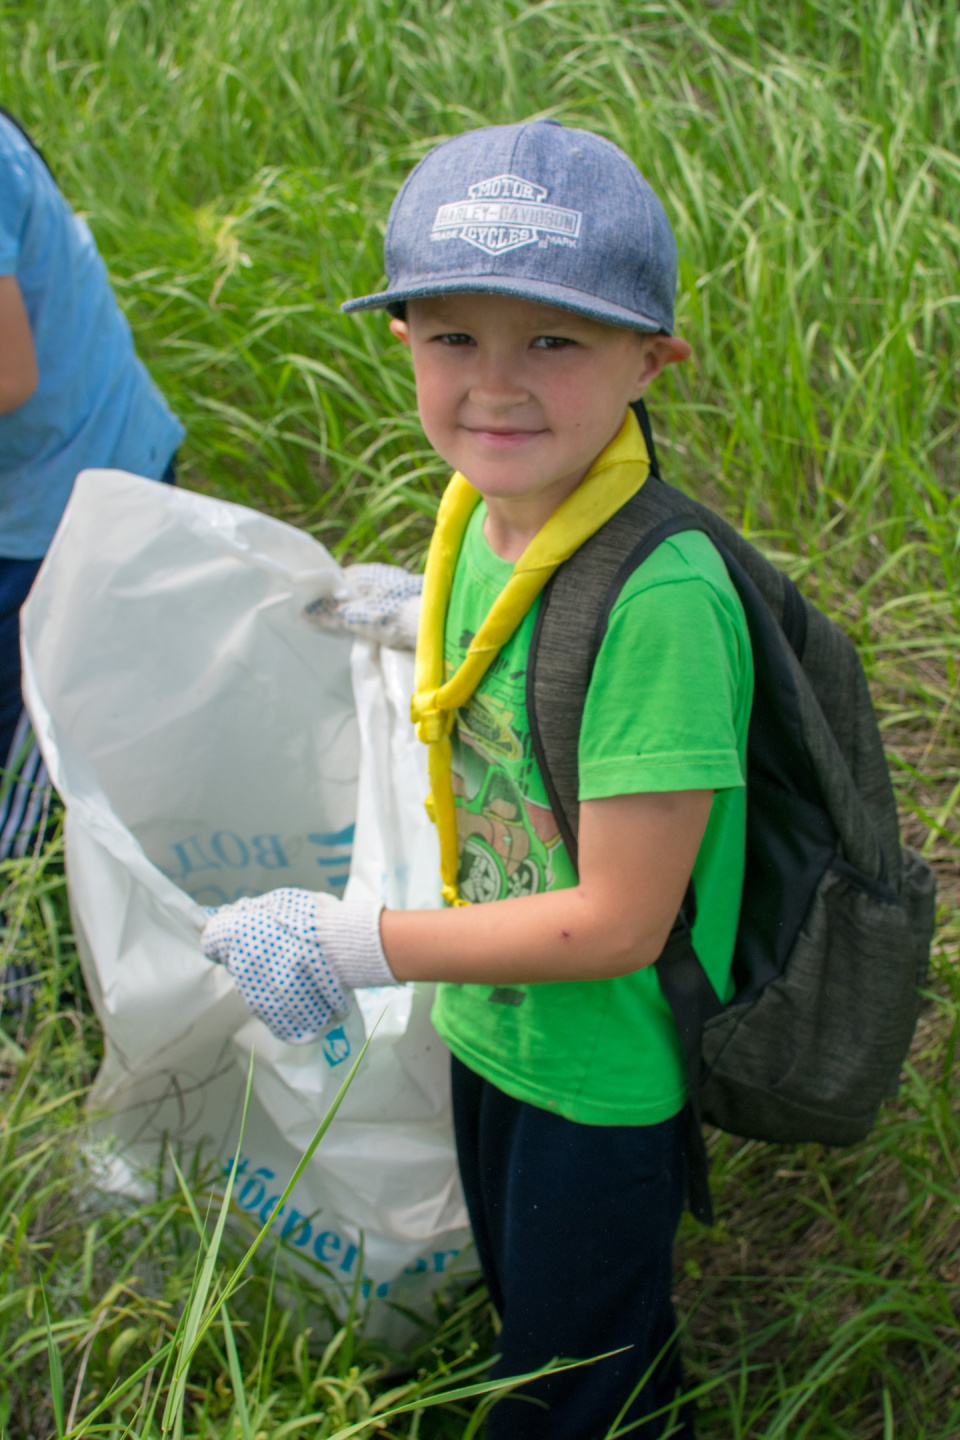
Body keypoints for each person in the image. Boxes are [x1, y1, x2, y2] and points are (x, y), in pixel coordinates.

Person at [203, 120, 754, 1439]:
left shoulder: (660, 601)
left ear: (651, 361)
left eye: (553, 341)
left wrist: (352, 944)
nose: (496, 386)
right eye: (455, 336)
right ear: (404, 344)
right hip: (491, 1025)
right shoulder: (488, 514)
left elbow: (620, 919)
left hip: (601, 1064)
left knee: (561, 1387)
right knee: (553, 1314)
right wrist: (417, 623)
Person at [0, 107, 184, 854]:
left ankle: (28, 958)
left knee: (38, 776)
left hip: (68, 501)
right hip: (35, 481)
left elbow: (10, 373)